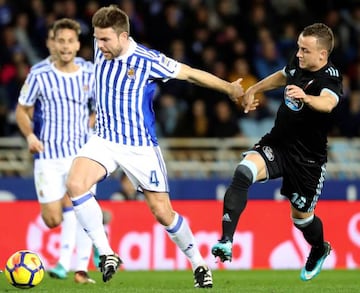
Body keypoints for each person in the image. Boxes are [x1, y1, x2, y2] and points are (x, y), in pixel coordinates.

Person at [65, 5, 243, 288]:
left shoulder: (148, 60)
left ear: (124, 37)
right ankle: (106, 252)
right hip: (104, 139)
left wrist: (230, 89)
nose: (99, 46)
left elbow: (191, 74)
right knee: (75, 183)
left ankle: (199, 264)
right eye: (97, 39)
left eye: (105, 40)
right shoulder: (102, 47)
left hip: (139, 147)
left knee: (162, 212)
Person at [211, 23, 343, 282]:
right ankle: (226, 240)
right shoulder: (298, 62)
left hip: (308, 159)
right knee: (243, 172)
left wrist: (306, 98)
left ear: (322, 55)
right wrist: (253, 89)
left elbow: (328, 103)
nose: (299, 54)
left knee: (302, 219)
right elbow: (283, 75)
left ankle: (319, 248)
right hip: (278, 143)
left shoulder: (331, 79)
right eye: (298, 48)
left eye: (305, 50)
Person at [15, 18, 96, 284]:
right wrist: (29, 135)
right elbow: (21, 110)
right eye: (60, 41)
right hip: (48, 156)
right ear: (53, 43)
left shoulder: (89, 72)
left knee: (76, 204)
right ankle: (99, 223)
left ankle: (76, 268)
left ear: (77, 44)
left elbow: (102, 106)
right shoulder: (39, 73)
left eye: (70, 41)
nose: (65, 46)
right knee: (52, 219)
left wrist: (93, 121)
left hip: (80, 154)